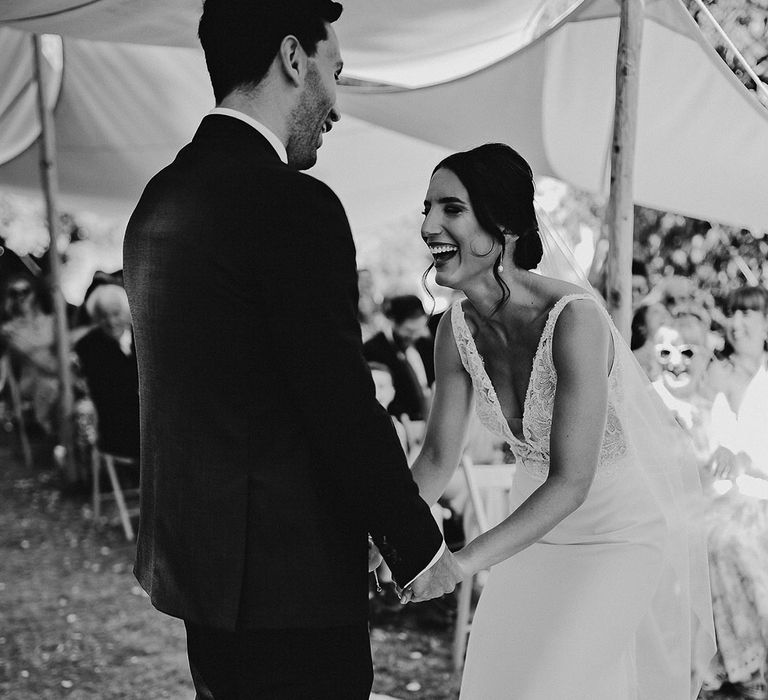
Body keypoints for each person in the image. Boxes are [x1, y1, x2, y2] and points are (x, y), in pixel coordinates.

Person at [122, 2, 456, 697]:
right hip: (288, 583)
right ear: (293, 58)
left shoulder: (158, 200)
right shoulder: (292, 206)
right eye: (335, 71)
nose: (335, 104)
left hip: (199, 571)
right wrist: (417, 545)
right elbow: (336, 400)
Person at [401, 143, 714, 699]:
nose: (428, 225)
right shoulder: (455, 331)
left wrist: (458, 564)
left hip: (616, 535)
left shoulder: (575, 320)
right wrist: (391, 530)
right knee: (497, 686)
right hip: (532, 535)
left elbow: (571, 481)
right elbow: (437, 458)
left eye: (450, 209)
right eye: (427, 208)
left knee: (555, 685)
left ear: (503, 225)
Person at [698, 285, 768, 698]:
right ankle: (746, 663)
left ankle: (753, 661)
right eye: (734, 313)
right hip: (720, 497)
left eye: (750, 314)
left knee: (734, 537)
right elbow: (697, 438)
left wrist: (745, 460)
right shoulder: (713, 374)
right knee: (715, 534)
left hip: (762, 496)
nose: (739, 322)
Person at [74, 284, 139, 459]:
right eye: (103, 316)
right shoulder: (88, 346)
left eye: (116, 314)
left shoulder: (142, 337)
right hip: (115, 421)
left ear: (127, 312)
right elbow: (101, 389)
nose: (110, 322)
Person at [0, 274, 59, 436]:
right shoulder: (9, 330)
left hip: (57, 372)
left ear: (34, 293)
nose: (20, 296)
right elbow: (32, 355)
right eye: (14, 293)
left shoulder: (52, 320)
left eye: (25, 291)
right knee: (51, 384)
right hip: (32, 380)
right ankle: (51, 431)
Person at [363, 294, 435, 422]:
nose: (415, 336)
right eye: (409, 330)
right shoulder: (373, 349)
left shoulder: (425, 343)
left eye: (420, 329)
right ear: (393, 321)